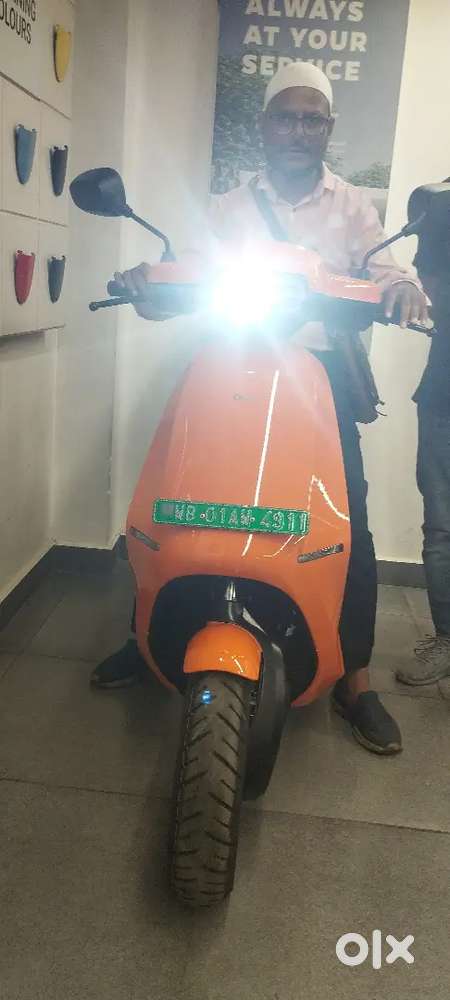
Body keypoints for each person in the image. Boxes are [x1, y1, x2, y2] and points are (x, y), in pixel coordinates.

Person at [92, 62, 427, 755]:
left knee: (346, 523)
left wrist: (401, 288)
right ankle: (145, 635)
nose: (298, 130)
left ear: (328, 129)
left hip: (316, 378)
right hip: (232, 366)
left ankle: (355, 679)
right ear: (264, 124)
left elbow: (386, 270)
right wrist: (148, 281)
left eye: (312, 119)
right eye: (285, 117)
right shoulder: (229, 207)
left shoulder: (352, 207)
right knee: (173, 497)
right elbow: (186, 269)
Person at [396, 179, 450, 687]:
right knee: (442, 526)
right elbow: (429, 279)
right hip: (444, 396)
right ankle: (448, 640)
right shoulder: (440, 204)